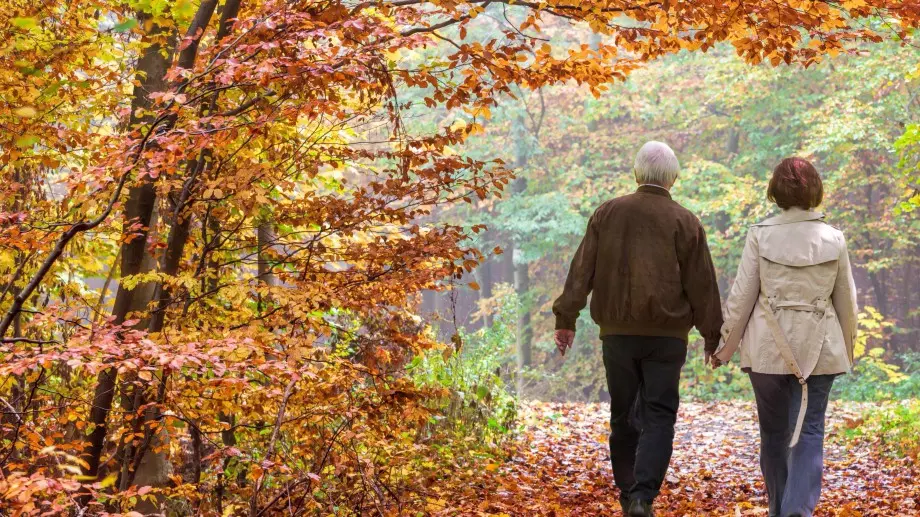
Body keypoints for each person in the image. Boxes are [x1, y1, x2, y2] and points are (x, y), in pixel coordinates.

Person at [552, 141, 723, 517]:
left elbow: (582, 270)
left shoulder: (608, 213)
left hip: (618, 334)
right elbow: (702, 285)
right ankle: (644, 496)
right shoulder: (686, 221)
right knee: (660, 414)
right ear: (673, 178)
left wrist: (566, 318)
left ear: (636, 173)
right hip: (667, 337)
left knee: (623, 412)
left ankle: (629, 491)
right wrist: (713, 336)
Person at [713, 157, 858, 517]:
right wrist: (847, 351)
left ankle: (779, 509)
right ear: (815, 191)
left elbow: (742, 297)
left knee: (774, 433)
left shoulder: (760, 235)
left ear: (775, 191)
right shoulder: (834, 239)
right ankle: (797, 512)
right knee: (809, 431)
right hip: (820, 353)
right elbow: (846, 303)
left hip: (767, 352)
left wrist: (724, 348)